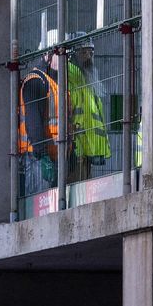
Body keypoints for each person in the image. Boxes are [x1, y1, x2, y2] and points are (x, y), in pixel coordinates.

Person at [18, 29, 71, 195]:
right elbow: (33, 121)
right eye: (61, 55)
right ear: (48, 54)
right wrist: (42, 156)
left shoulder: (56, 83)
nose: (65, 60)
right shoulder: (36, 81)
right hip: (37, 159)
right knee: (40, 208)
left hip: (56, 157)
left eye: (67, 56)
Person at [67, 32, 111, 179]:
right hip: (75, 150)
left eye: (91, 51)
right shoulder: (70, 78)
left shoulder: (89, 80)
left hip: (87, 151)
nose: (88, 56)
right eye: (83, 52)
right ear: (73, 54)